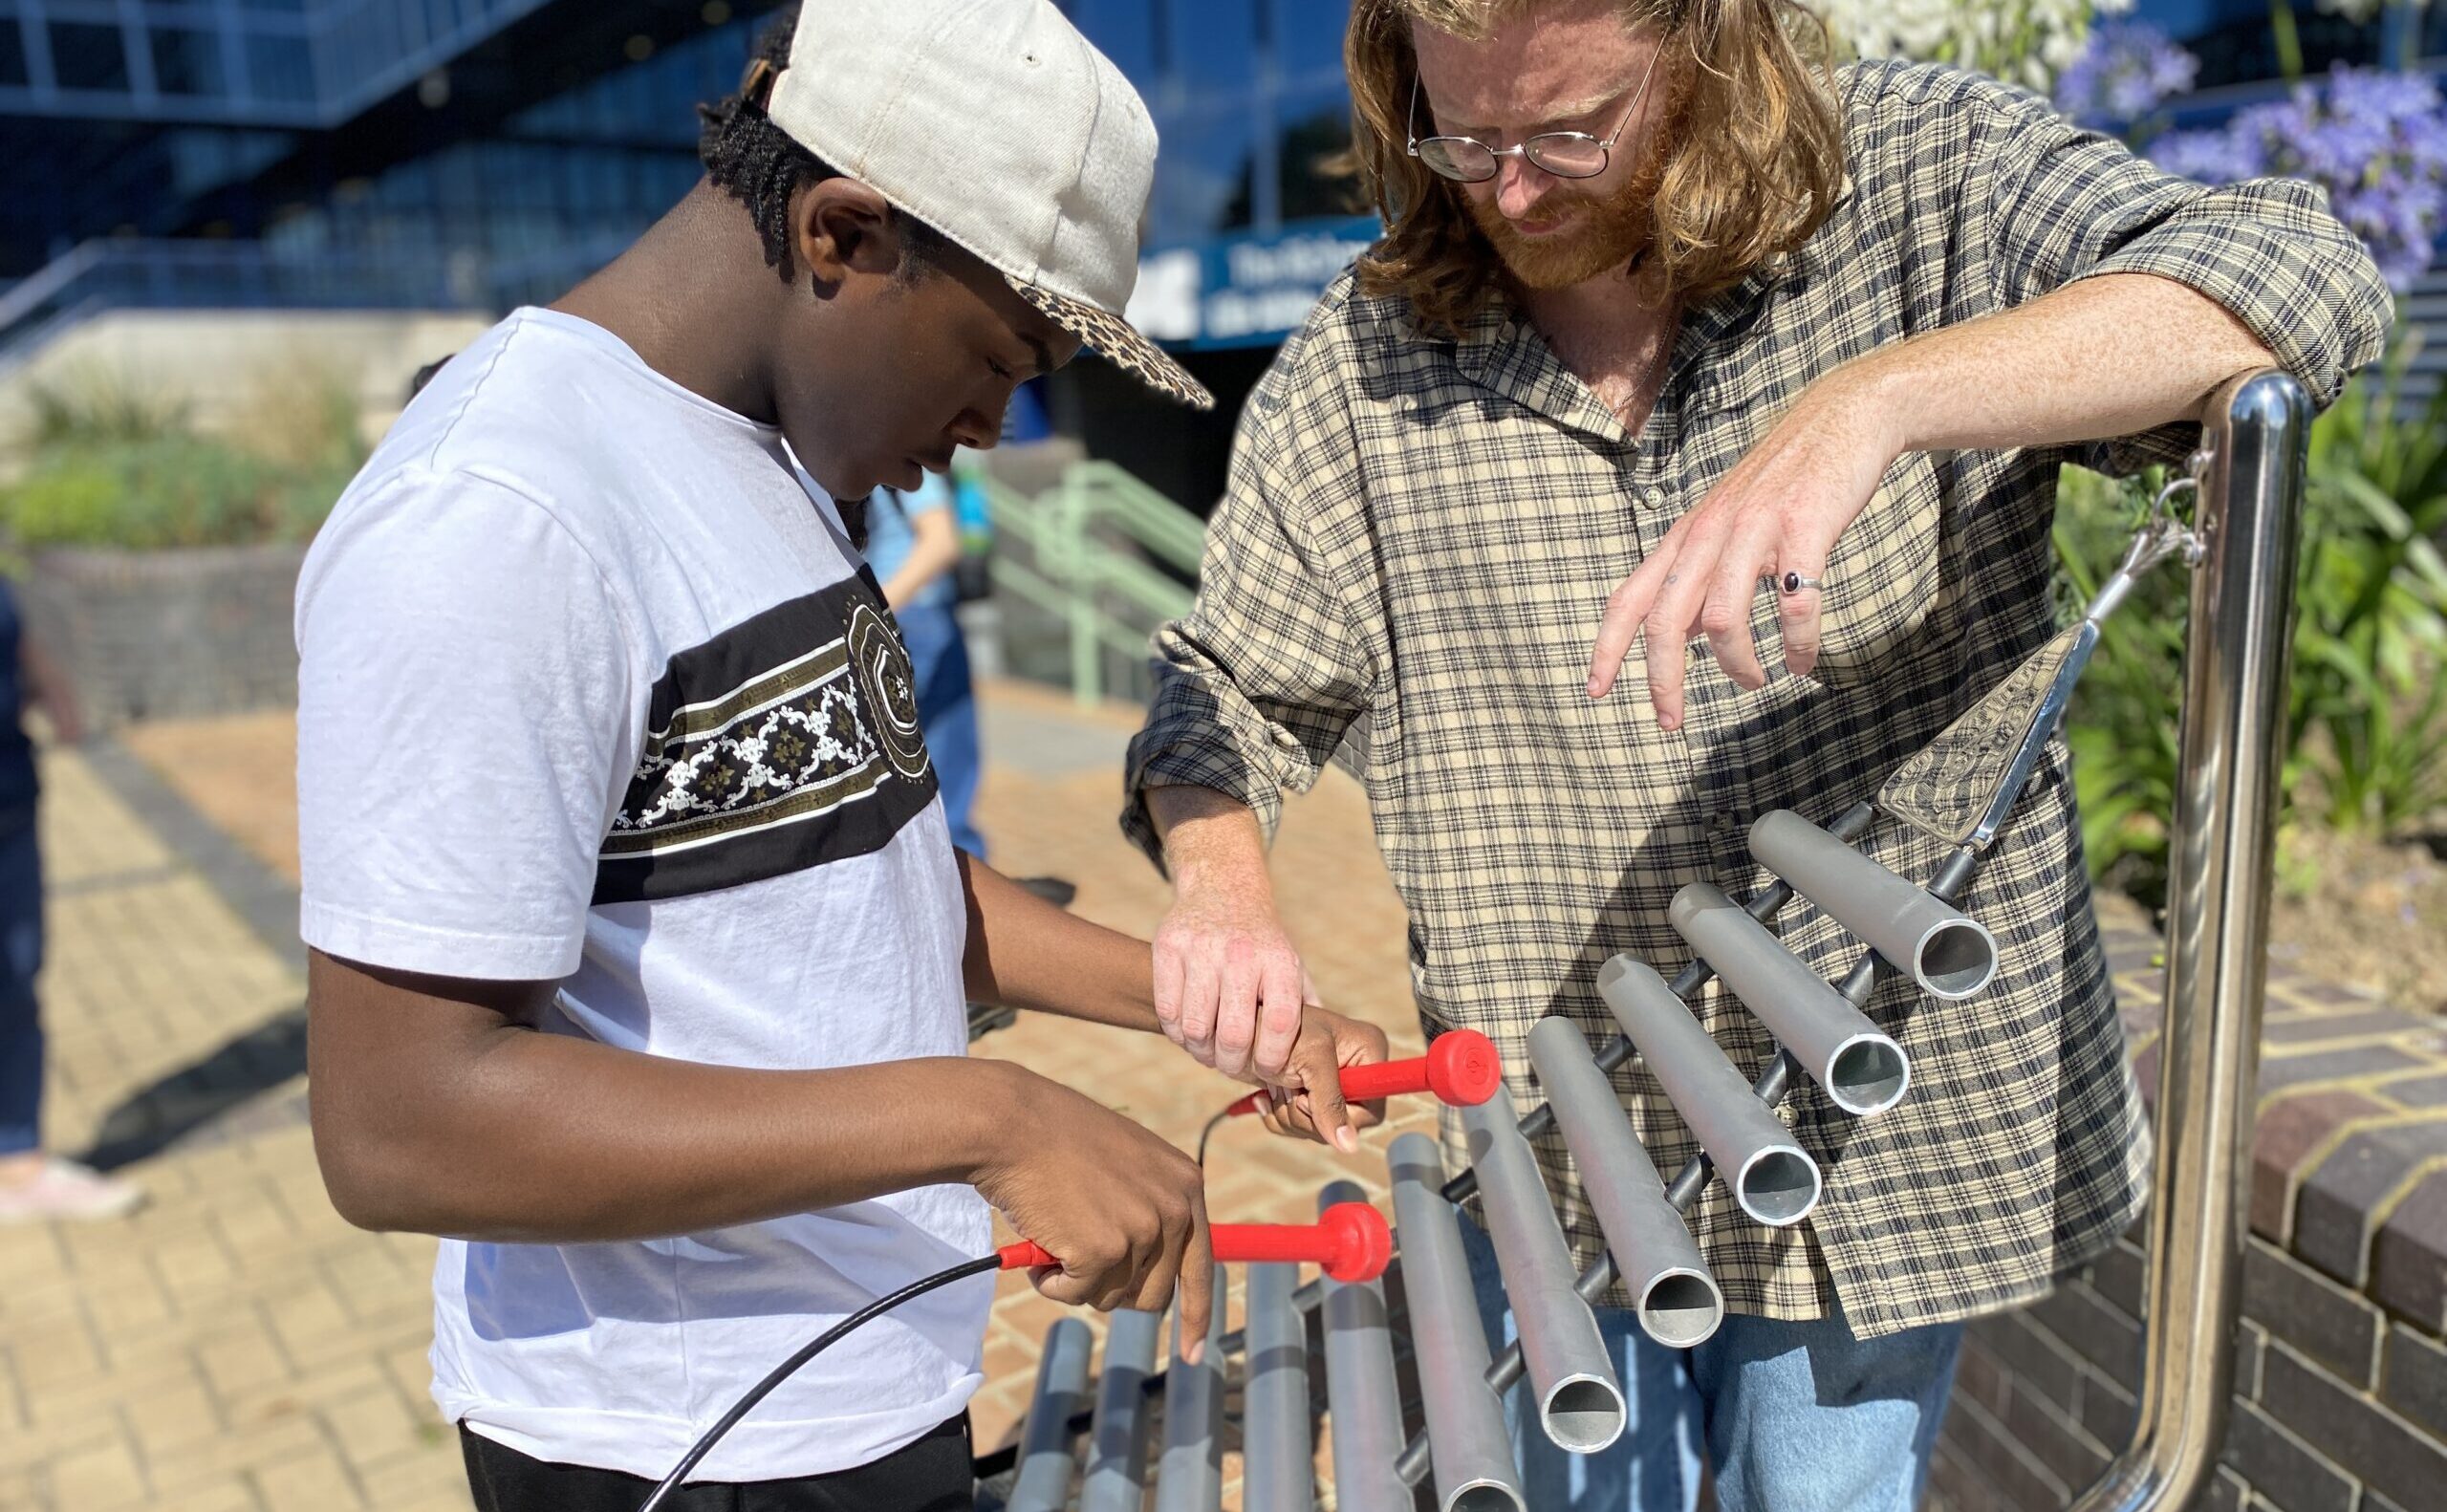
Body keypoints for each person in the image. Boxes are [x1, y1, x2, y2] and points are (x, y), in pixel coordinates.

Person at [1122, 1, 2391, 1508]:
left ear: (1705, 44)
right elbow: (1224, 687)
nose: (1512, 188)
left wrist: (1881, 399)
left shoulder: (1923, 173)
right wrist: (1221, 882)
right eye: (1465, 133)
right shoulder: (1364, 363)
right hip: (1551, 1147)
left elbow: (2299, 280)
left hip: (1875, 1143)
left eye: (1571, 127)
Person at [293, 6, 1386, 1510]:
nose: (996, 426)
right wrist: (994, 1120)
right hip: (686, 1440)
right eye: (1002, 356)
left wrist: (1196, 1008)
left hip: (854, 1385)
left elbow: (852, 874)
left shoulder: (757, 451)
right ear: (844, 234)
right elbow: (400, 1124)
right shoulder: (500, 514)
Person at [0, 587, 136, 1222]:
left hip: (11, 806)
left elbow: (19, 638)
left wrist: (54, 691)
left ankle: (18, 1162)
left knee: (18, 982)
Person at [868, 474, 985, 857]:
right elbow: (942, 541)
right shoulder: (895, 442)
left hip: (899, 616)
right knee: (943, 774)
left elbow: (940, 540)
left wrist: (867, 611)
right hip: (911, 616)